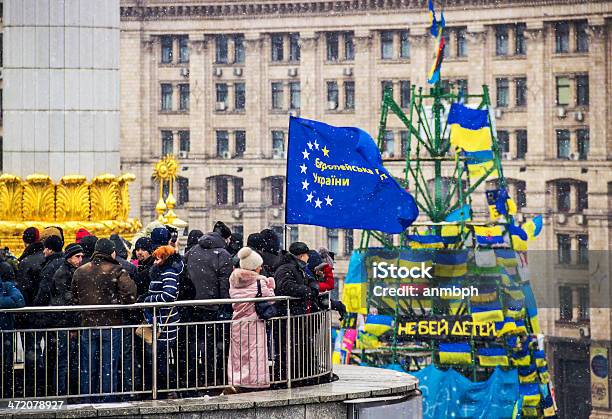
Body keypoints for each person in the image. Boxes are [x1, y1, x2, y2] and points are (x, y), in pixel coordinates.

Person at [71, 238, 137, 401]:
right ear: (112, 252)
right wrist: (117, 302)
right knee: (108, 365)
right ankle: (108, 400)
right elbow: (130, 295)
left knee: (88, 366)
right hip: (111, 324)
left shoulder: (81, 270)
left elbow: (74, 297)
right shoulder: (116, 270)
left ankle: (87, 399)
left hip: (88, 324)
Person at [184, 229, 232, 387]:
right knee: (211, 344)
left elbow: (186, 277)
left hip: (192, 305)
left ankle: (192, 378)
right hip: (213, 306)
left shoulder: (192, 251)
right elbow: (224, 284)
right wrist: (225, 305)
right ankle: (210, 377)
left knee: (193, 343)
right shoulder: (223, 254)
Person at [225, 247, 275, 394]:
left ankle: (236, 381)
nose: (261, 268)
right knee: (255, 353)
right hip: (254, 322)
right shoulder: (260, 283)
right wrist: (270, 283)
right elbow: (271, 298)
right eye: (259, 265)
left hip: (237, 322)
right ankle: (253, 382)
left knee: (238, 354)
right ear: (254, 267)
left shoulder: (234, 280)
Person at [138, 245, 183, 393]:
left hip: (166, 322)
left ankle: (172, 387)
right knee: (158, 358)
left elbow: (169, 296)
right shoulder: (161, 272)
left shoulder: (169, 272)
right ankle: (164, 388)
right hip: (159, 320)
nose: (155, 261)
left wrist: (149, 299)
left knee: (160, 358)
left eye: (157, 258)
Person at [50, 243, 83, 396]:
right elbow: (66, 301)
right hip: (64, 322)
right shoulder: (63, 274)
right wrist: (72, 326)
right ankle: (62, 392)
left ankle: (67, 391)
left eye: (81, 256)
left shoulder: (70, 271)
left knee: (70, 359)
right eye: (77, 256)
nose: (80, 259)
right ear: (69, 257)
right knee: (64, 360)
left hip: (66, 321)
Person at [0, 264, 26, 398]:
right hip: (5, 335)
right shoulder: (7, 288)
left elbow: (20, 301)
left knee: (6, 368)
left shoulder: (6, 286)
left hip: (5, 336)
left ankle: (6, 394)